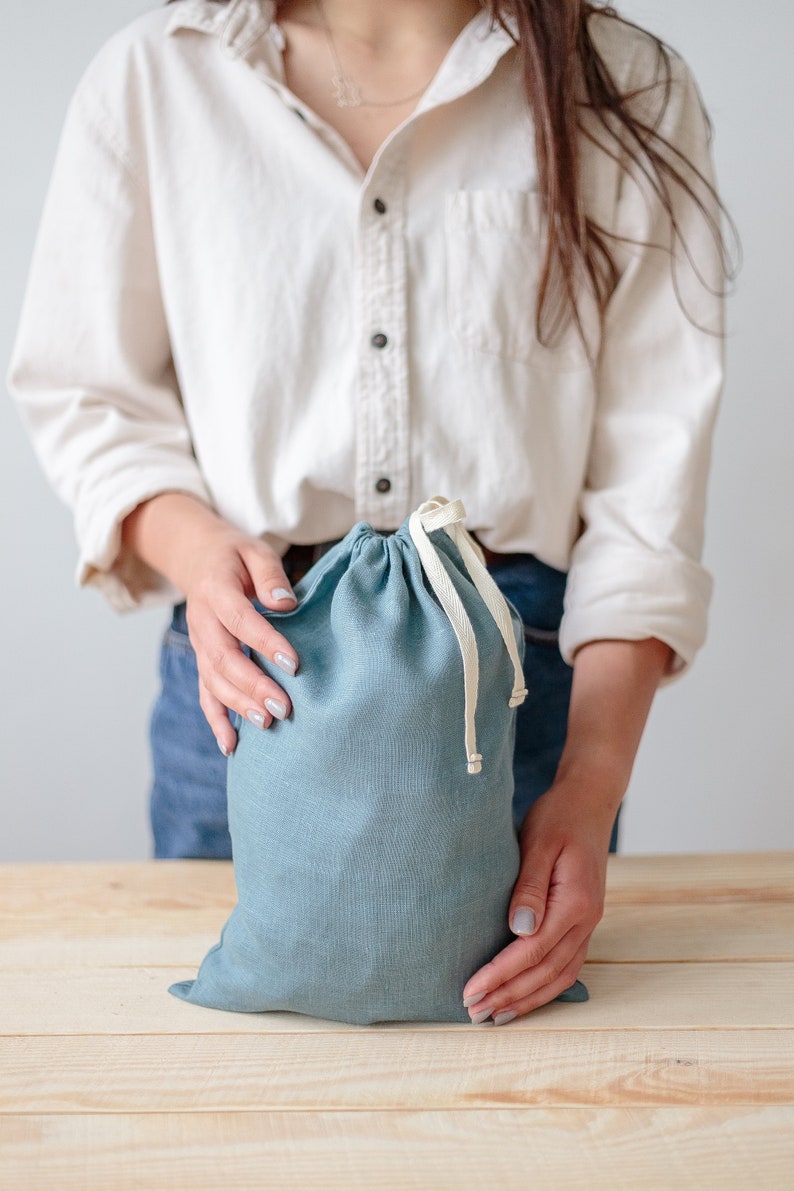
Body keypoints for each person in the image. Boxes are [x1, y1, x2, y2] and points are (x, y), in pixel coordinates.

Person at [5, 0, 734, 1025]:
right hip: (256, 660)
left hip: (517, 681)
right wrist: (192, 542)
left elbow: (648, 481)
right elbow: (86, 392)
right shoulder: (155, 77)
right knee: (224, 1097)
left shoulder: (622, 84)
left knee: (514, 1095)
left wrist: (590, 779)